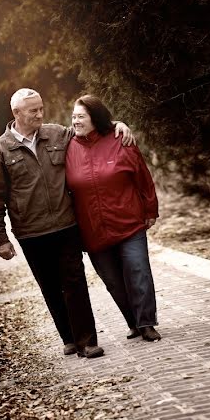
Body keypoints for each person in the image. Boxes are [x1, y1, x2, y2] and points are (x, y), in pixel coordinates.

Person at [0, 88, 134, 358]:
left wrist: (116, 126)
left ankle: (87, 341)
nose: (40, 114)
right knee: (50, 285)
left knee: (75, 280)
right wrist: (0, 238)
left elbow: (89, 130)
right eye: (33, 111)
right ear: (16, 113)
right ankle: (68, 337)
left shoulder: (57, 134)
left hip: (66, 224)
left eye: (41, 108)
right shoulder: (0, 151)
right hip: (30, 231)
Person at [65, 94, 162, 342]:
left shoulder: (121, 140)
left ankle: (147, 323)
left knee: (137, 270)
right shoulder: (66, 146)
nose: (75, 122)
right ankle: (134, 322)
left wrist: (150, 210)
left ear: (95, 118)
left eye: (81, 117)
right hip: (93, 229)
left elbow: (142, 176)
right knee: (114, 282)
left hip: (128, 221)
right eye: (73, 117)